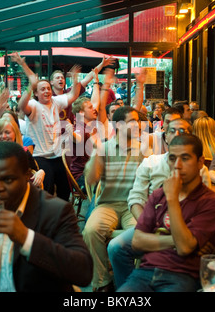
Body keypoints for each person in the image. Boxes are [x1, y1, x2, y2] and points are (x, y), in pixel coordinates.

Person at [0, 141, 93, 292]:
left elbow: (83, 273)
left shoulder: (55, 211)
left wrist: (26, 238)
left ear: (27, 176)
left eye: (8, 180)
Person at [117, 134, 215, 292]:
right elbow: (137, 241)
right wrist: (176, 240)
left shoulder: (211, 202)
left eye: (185, 158)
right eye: (173, 158)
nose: (178, 165)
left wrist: (172, 198)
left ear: (200, 162)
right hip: (145, 273)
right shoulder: (158, 195)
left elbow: (184, 248)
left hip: (182, 276)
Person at [83, 105, 149, 292]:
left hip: (133, 206)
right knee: (90, 230)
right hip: (108, 205)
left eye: (138, 121)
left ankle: (132, 282)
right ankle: (102, 282)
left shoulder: (143, 149)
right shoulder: (104, 148)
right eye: (132, 122)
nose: (137, 125)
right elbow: (90, 179)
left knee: (142, 234)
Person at [16, 54, 81, 201]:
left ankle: (61, 219)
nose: (46, 91)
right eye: (42, 89)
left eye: (48, 88)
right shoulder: (34, 105)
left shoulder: (55, 102)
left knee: (65, 191)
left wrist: (75, 79)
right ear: (36, 94)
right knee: (47, 191)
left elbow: (74, 95)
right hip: (40, 156)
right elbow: (21, 106)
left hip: (58, 156)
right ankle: (47, 220)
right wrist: (29, 87)